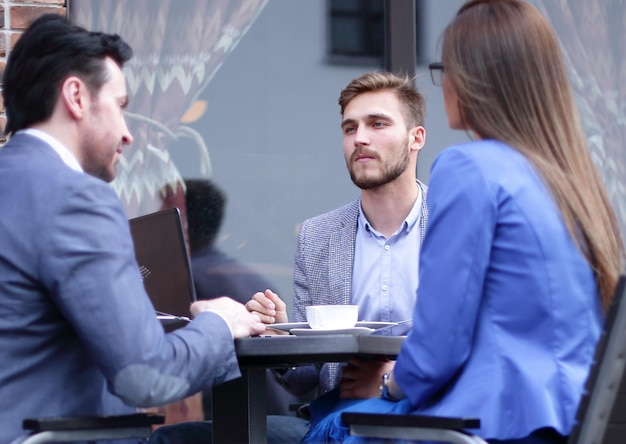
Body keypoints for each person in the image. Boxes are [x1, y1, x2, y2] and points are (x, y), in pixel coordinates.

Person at [304, 1, 625, 443]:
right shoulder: (572, 184)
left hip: (481, 426)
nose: (445, 84)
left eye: (445, 69)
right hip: (565, 425)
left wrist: (385, 385)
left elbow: (439, 346)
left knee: (325, 428)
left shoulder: (469, 168)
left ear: (474, 77)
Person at [0, 14, 264, 444]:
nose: (128, 134)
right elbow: (147, 377)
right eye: (120, 106)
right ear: (76, 97)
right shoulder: (77, 199)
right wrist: (219, 322)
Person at [148, 71, 429, 443]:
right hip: (332, 418)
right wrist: (281, 330)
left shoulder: (453, 224)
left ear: (416, 138)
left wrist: (389, 383)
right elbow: (305, 381)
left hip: (426, 413)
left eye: (377, 124)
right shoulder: (318, 236)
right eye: (349, 128)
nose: (360, 138)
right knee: (176, 439)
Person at [184, 178, 300, 418]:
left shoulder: (191, 279)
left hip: (250, 418)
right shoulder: (246, 276)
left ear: (183, 223)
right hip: (280, 411)